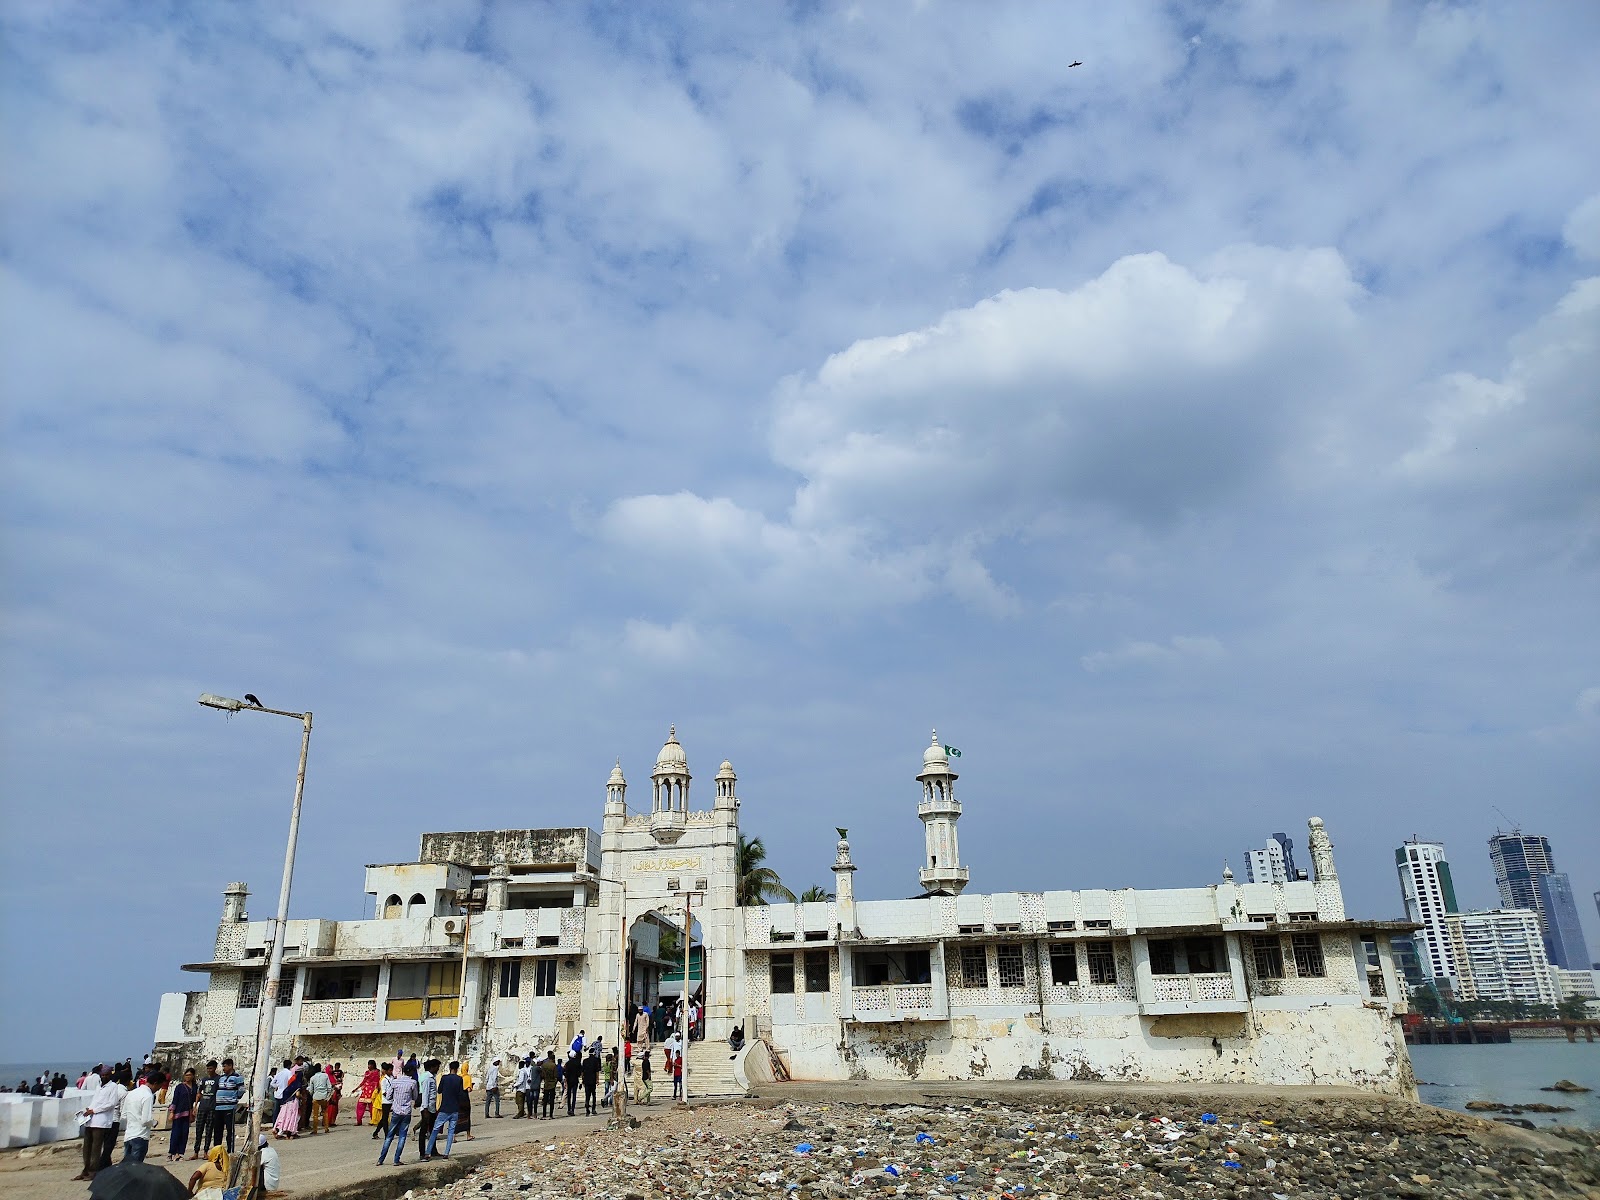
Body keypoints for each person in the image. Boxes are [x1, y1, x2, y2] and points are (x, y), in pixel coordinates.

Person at [73, 1071, 124, 1179]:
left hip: (102, 1121)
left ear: (110, 1075)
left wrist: (94, 1110)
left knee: (96, 1148)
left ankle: (93, 1170)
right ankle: (85, 1169)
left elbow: (111, 1104)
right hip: (91, 1120)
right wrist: (89, 1109)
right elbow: (95, 1101)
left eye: (106, 1075)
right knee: (87, 1147)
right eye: (102, 1075)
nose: (104, 1077)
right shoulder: (98, 1087)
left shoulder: (113, 1087)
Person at [376, 1065, 417, 1166]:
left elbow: (389, 1096)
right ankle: (396, 1159)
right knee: (402, 1137)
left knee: (389, 1136)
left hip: (396, 1110)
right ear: (411, 1072)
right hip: (406, 1111)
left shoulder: (395, 1081)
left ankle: (381, 1159)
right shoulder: (413, 1082)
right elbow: (415, 1097)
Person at [424, 1060, 464, 1160]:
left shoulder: (444, 1078)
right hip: (455, 1108)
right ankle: (446, 1153)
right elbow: (460, 1094)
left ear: (450, 1068)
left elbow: (440, 1090)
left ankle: (428, 1152)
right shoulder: (459, 1079)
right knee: (451, 1131)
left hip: (444, 1108)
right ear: (457, 1068)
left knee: (435, 1130)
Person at [213, 1058, 243, 1155]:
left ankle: (230, 1151)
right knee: (218, 1130)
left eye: (225, 1066)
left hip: (229, 1107)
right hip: (218, 1108)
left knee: (230, 1130)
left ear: (230, 1066)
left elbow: (241, 1090)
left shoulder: (237, 1077)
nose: (223, 1068)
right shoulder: (221, 1078)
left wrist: (234, 1098)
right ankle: (217, 1151)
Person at [191, 1061, 219, 1160]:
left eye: (210, 1068)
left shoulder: (218, 1079)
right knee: (199, 1130)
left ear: (215, 1068)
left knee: (209, 1130)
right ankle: (196, 1152)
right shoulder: (204, 1079)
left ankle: (206, 1151)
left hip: (212, 1108)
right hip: (202, 1107)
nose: (209, 1070)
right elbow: (199, 1093)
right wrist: (195, 1106)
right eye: (207, 1069)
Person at [168, 1068, 196, 1161]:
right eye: (186, 1075)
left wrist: (194, 1110)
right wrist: (172, 1112)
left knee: (184, 1134)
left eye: (189, 1075)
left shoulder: (194, 1087)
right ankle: (171, 1153)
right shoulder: (180, 1087)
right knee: (176, 1133)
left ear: (193, 1076)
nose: (187, 1077)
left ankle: (179, 1153)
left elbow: (195, 1099)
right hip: (178, 1113)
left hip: (188, 1113)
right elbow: (175, 1099)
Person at [272, 1061, 302, 1139]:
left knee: (279, 1114)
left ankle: (276, 1128)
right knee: (290, 1115)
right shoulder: (290, 1074)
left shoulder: (279, 1073)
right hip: (290, 1098)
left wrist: (278, 1086)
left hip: (279, 1094)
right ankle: (289, 1131)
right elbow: (292, 1085)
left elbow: (272, 1083)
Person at [416, 1058, 437, 1152]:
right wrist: (425, 1109)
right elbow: (425, 1094)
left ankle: (433, 1150)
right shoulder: (428, 1079)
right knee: (424, 1131)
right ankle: (422, 1152)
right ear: (432, 1067)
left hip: (431, 1108)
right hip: (427, 1108)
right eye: (437, 1067)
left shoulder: (429, 1077)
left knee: (432, 1130)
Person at [308, 1062, 333, 1133]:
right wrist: (328, 1095)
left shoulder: (312, 1078)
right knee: (325, 1113)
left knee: (315, 1115)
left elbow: (311, 1090)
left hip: (316, 1096)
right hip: (324, 1096)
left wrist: (312, 1095)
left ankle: (315, 1130)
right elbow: (329, 1087)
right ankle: (326, 1128)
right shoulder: (325, 1076)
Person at [355, 1060, 380, 1130]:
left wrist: (378, 1089)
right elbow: (364, 1081)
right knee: (360, 1106)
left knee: (372, 1107)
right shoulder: (367, 1072)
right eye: (368, 1065)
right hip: (365, 1091)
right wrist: (357, 1088)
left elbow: (378, 1081)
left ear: (373, 1065)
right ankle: (359, 1121)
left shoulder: (377, 1072)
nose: (368, 1066)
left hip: (372, 1091)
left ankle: (373, 1120)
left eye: (370, 1065)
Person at [373, 1062, 393, 1140]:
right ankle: (386, 1134)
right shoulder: (384, 1080)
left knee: (384, 1118)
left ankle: (376, 1132)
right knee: (385, 1118)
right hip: (385, 1101)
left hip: (391, 1101)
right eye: (390, 1070)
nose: (391, 1072)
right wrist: (389, 1097)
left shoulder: (392, 1078)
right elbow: (383, 1091)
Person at [536, 1050, 558, 1119]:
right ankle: (551, 1115)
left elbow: (542, 1075)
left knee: (545, 1100)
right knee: (551, 1100)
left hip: (546, 1083)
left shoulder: (544, 1065)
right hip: (552, 1084)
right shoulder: (554, 1065)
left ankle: (544, 1114)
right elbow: (555, 1075)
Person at [580, 1048, 600, 1116]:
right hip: (593, 1080)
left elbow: (582, 1071)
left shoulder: (585, 1061)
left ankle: (587, 1109)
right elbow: (597, 1071)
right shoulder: (595, 1061)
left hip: (586, 1080)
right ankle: (593, 1109)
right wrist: (597, 1079)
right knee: (593, 1095)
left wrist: (582, 1079)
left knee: (587, 1095)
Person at [458, 1060, 474, 1139]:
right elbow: (468, 1089)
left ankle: (454, 1136)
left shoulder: (458, 1076)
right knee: (467, 1116)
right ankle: (468, 1135)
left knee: (457, 1117)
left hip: (458, 1098)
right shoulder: (468, 1077)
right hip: (465, 1098)